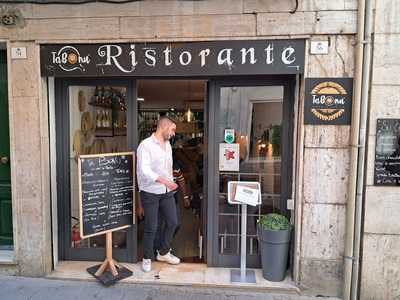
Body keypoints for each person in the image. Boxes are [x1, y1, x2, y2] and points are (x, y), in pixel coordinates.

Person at [136, 116, 180, 272]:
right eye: (173, 129)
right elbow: (144, 170)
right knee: (151, 227)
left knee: (173, 223)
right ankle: (147, 258)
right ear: (163, 127)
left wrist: (171, 181)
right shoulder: (145, 146)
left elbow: (168, 167)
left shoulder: (168, 145)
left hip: (166, 192)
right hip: (150, 192)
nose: (174, 133)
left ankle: (163, 252)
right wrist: (165, 181)